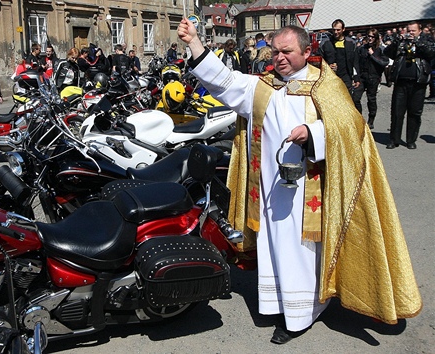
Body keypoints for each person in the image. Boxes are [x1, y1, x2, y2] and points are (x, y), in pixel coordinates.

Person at [177, 19, 421, 344]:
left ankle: (301, 315)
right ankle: (283, 305)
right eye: (274, 51)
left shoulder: (325, 85)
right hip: (269, 189)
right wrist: (194, 42)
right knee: (276, 249)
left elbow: (352, 127)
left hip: (309, 192)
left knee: (301, 251)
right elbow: (224, 81)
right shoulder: (263, 86)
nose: (278, 58)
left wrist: (313, 134)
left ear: (307, 51)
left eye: (286, 51)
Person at [384, 21, 435, 149]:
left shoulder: (426, 40)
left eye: (413, 31)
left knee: (415, 113)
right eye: (409, 30)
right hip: (401, 81)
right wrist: (397, 41)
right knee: (397, 112)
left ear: (420, 30)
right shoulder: (401, 42)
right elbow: (387, 52)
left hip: (418, 82)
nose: (410, 33)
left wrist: (417, 42)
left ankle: (411, 140)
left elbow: (431, 53)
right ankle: (394, 139)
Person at [352, 29, 389, 129]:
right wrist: (356, 77)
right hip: (362, 77)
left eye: (372, 36)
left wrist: (373, 55)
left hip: (373, 78)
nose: (370, 38)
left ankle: (371, 120)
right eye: (369, 36)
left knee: (371, 99)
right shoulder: (362, 49)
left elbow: (384, 63)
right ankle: (359, 118)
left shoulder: (380, 49)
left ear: (376, 38)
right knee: (355, 98)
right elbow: (356, 63)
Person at [322, 19, 360, 93]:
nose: (336, 32)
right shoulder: (325, 43)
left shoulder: (351, 43)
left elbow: (355, 62)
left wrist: (356, 78)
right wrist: (327, 66)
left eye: (338, 30)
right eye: (334, 30)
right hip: (331, 77)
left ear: (343, 29)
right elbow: (319, 60)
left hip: (346, 77)